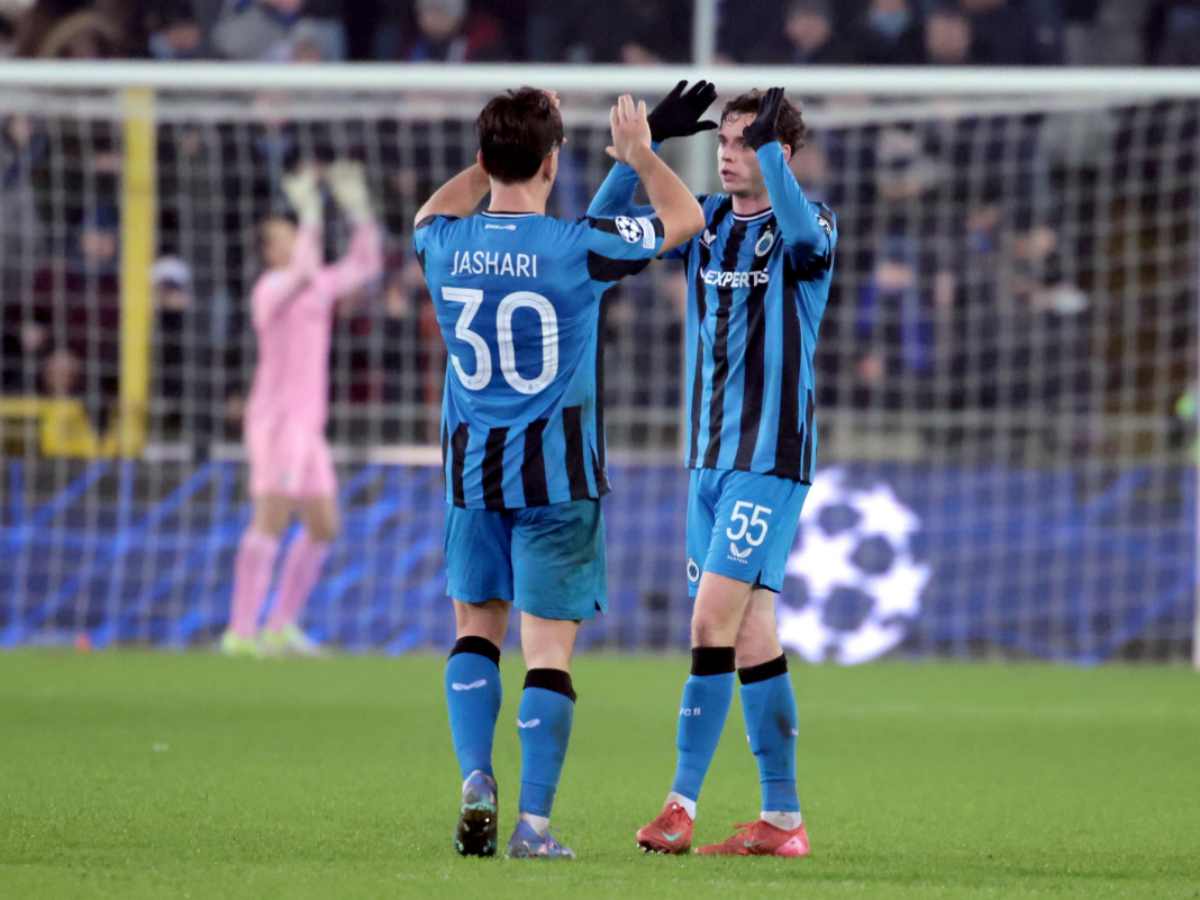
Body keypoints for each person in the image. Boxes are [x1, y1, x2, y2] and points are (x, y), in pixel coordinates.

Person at [412, 87, 703, 859]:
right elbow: (685, 222)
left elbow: (428, 214)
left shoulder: (441, 243)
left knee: (476, 632)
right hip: (557, 483)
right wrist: (642, 154)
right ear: (552, 162)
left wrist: (489, 169)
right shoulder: (576, 251)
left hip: (473, 479)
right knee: (548, 652)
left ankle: (477, 777)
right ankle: (534, 827)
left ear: (482, 160)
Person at [588, 85, 837, 857]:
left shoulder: (811, 223)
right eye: (724, 142)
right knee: (753, 631)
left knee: (708, 625)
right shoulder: (702, 225)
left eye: (746, 142)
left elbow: (804, 242)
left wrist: (769, 149)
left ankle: (679, 805)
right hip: (704, 463)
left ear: (780, 152)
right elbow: (597, 238)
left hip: (769, 460)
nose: (728, 155)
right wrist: (637, 155)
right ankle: (783, 821)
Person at [221, 161, 382, 658]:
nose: (294, 237)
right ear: (270, 251)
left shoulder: (316, 286)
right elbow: (307, 269)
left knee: (324, 525)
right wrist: (312, 211)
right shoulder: (270, 289)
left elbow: (367, 265)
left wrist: (357, 210)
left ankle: (280, 625)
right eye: (284, 233)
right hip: (274, 422)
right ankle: (240, 632)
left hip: (308, 427)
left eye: (294, 230)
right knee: (271, 515)